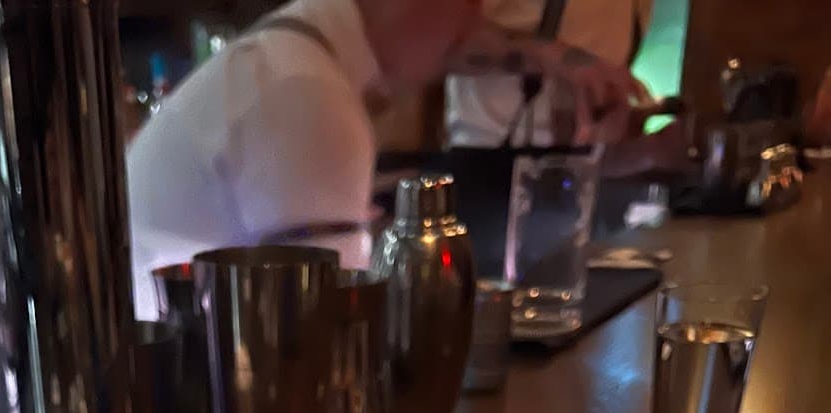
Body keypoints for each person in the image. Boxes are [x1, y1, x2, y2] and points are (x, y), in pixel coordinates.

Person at [127, 0, 644, 309]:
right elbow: (326, 323)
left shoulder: (284, 60)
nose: (472, 27)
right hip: (181, 411)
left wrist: (550, 59)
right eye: (467, 5)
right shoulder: (307, 91)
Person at [447, 0, 653, 147]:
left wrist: (638, 144)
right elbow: (435, 46)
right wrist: (552, 56)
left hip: (580, 179)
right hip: (487, 160)